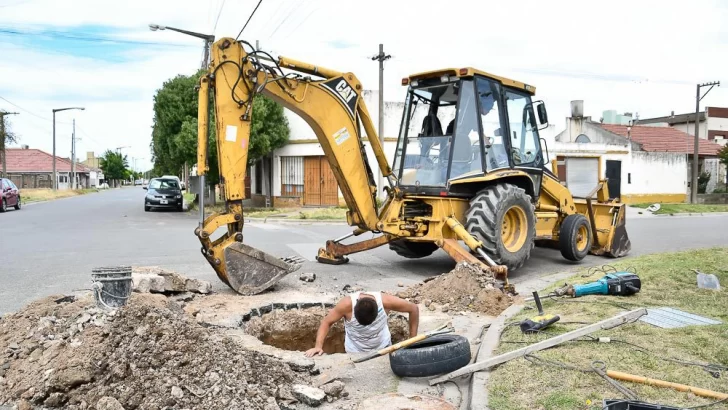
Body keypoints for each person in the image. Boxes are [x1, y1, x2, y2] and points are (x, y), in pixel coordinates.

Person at [304, 291, 419, 356]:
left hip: (383, 348)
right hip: (354, 351)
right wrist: (318, 346)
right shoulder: (346, 305)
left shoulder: (386, 302)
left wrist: (412, 341)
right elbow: (326, 322)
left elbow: (413, 309)